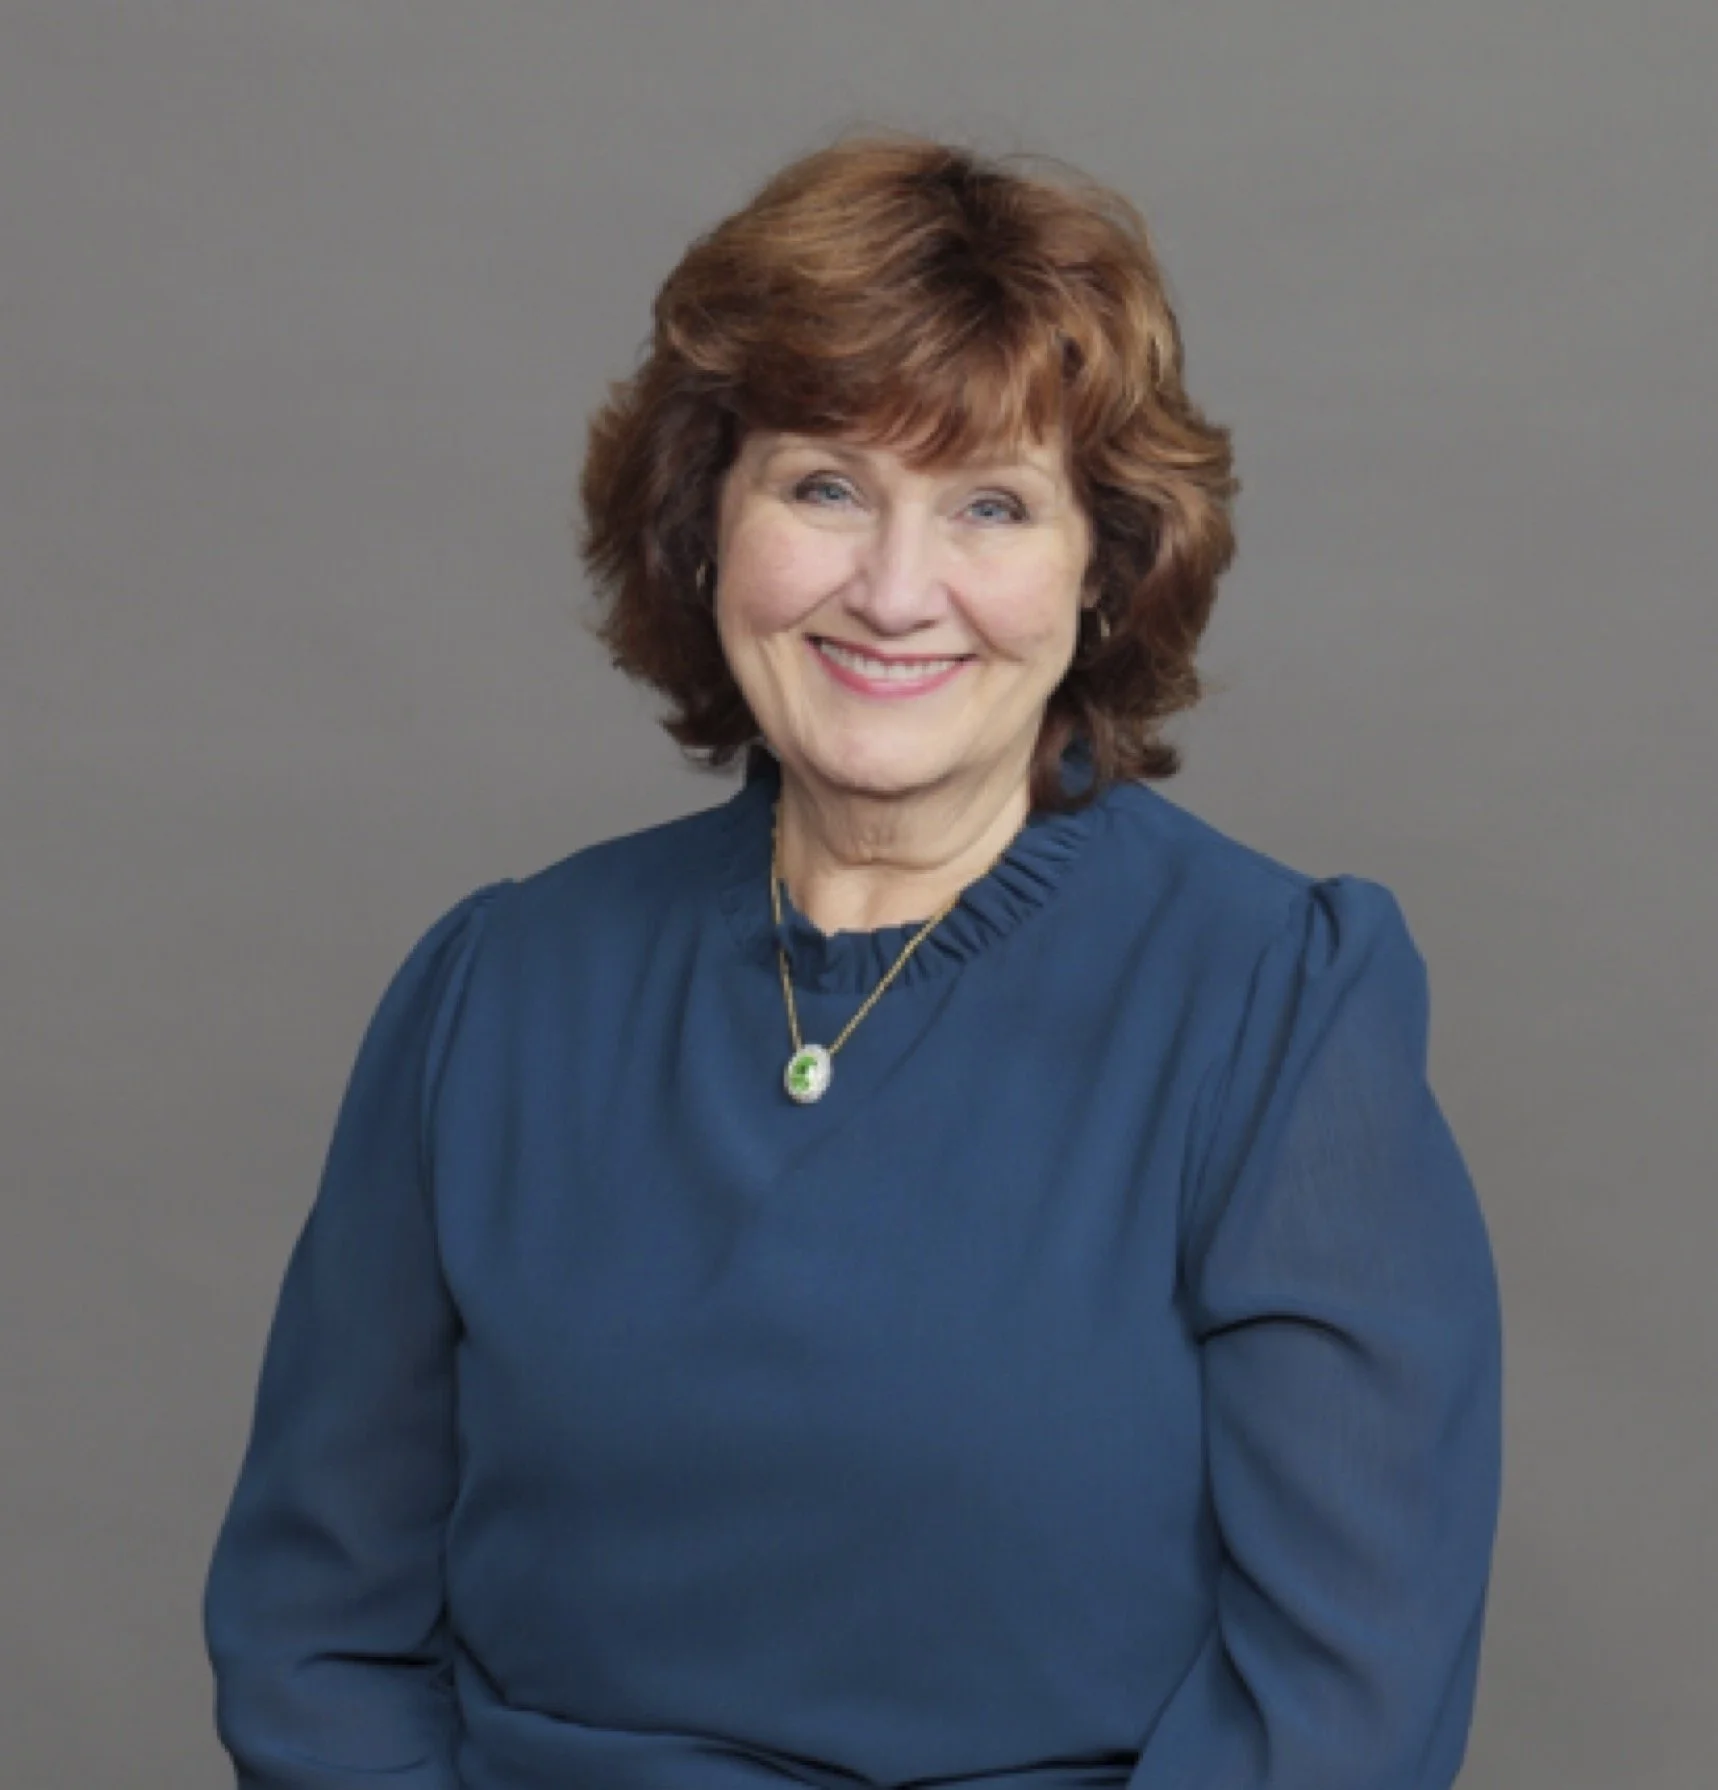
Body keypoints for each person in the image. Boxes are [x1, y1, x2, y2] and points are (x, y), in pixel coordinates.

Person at [204, 133, 1503, 1790]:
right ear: (703, 524)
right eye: (823, 485)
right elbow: (315, 1638)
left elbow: (1342, 1714)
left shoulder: (1274, 1007)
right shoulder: (496, 989)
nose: (896, 591)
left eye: (988, 505)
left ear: (1099, 571)